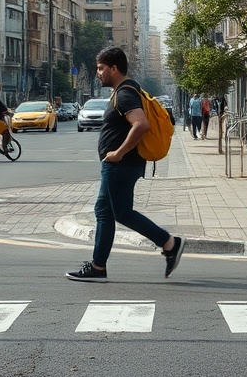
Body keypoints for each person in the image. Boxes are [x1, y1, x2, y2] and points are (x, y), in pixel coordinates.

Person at [66, 46, 184, 282]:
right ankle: (98, 267)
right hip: (119, 165)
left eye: (101, 68)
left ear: (114, 68)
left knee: (122, 213)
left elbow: (141, 125)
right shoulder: (124, 91)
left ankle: (169, 243)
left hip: (121, 165)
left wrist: (118, 153)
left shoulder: (124, 94)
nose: (98, 73)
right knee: (104, 211)